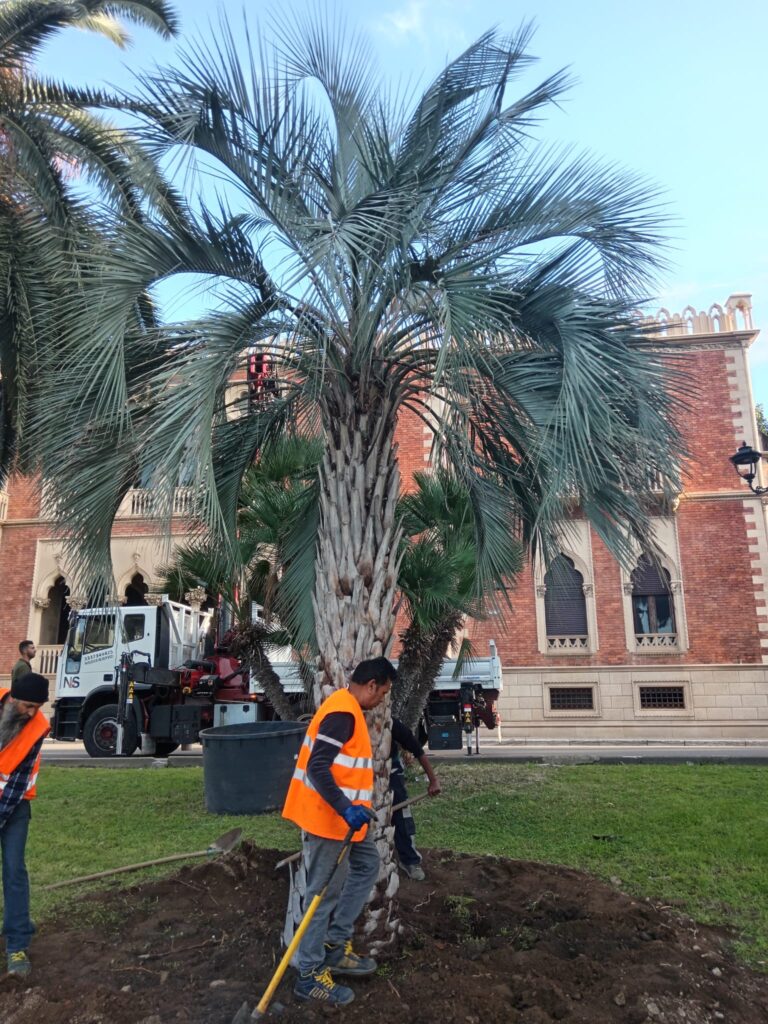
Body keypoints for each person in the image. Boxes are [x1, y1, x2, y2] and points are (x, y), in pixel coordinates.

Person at [282, 657, 396, 1006]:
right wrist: (345, 807)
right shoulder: (343, 713)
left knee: (367, 865)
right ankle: (309, 974)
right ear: (372, 685)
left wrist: (352, 808)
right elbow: (317, 767)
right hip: (328, 821)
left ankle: (334, 945)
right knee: (322, 895)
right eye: (383, 693)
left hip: (347, 822)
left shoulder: (348, 709)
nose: (382, 700)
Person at [0, 671, 50, 977]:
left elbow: (16, 786)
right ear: (12, 698)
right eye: (27, 706)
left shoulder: (37, 728)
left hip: (15, 806)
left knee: (14, 870)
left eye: (37, 707)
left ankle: (17, 944)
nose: (32, 713)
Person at [390, 718, 441, 880]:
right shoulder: (349, 721)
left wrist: (433, 781)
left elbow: (418, 751)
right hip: (361, 777)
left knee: (402, 816)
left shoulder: (388, 723)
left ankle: (409, 860)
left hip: (390, 771)